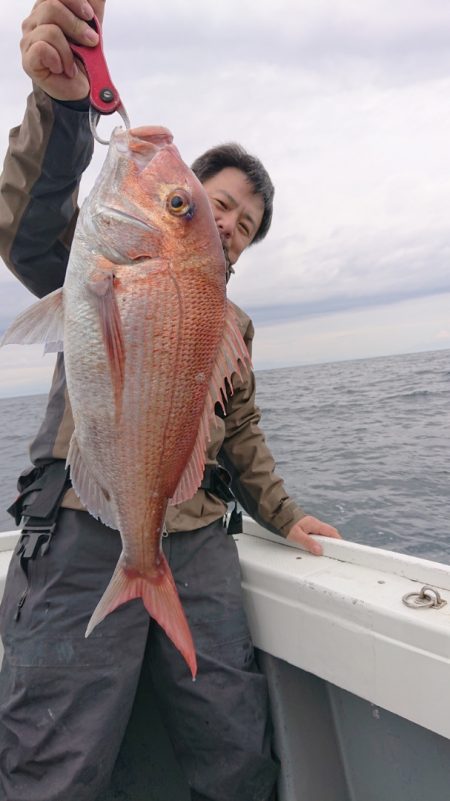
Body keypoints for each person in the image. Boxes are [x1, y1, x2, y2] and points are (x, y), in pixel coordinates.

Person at [0, 2, 341, 800]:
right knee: (57, 758)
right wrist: (64, 106)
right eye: (212, 203)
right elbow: (24, 227)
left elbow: (242, 430)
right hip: (83, 521)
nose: (229, 224)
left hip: (193, 543)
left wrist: (285, 514)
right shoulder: (100, 261)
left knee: (233, 747)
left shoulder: (232, 327)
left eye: (248, 226)